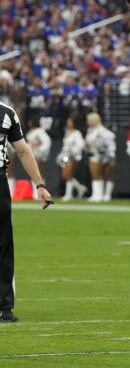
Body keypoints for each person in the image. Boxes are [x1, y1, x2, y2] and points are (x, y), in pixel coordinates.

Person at [1, 100, 53, 322]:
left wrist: (40, 185)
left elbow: (22, 150)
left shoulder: (6, 113)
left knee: (3, 244)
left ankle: (4, 306)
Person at [85, 112, 116, 202]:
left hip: (102, 155)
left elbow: (111, 138)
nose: (88, 121)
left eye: (90, 120)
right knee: (95, 175)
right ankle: (96, 194)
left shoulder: (101, 130)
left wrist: (109, 153)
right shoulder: (90, 130)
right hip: (93, 154)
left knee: (101, 174)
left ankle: (105, 194)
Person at [57, 117, 87, 201]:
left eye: (70, 122)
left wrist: (73, 151)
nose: (68, 123)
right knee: (65, 175)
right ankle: (80, 188)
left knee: (69, 174)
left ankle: (68, 194)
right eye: (67, 122)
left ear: (74, 123)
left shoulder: (77, 133)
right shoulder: (67, 132)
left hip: (74, 156)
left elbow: (81, 144)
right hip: (66, 155)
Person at [25, 117, 51, 200]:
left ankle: (41, 191)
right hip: (31, 153)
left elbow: (47, 141)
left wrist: (40, 150)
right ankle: (35, 192)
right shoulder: (30, 131)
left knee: (39, 173)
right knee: (33, 173)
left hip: (38, 154)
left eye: (30, 122)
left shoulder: (40, 131)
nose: (29, 124)